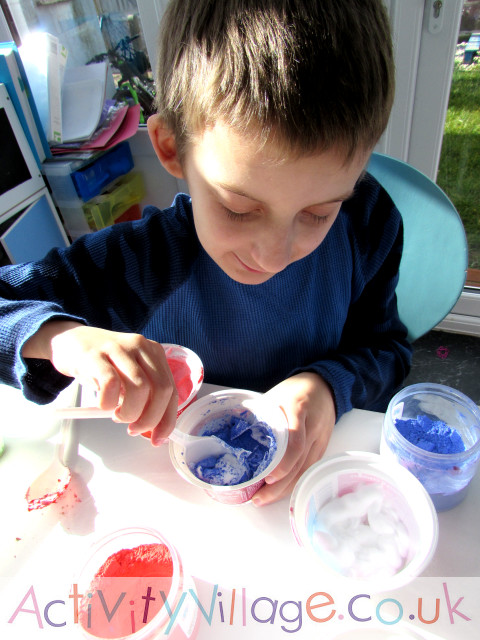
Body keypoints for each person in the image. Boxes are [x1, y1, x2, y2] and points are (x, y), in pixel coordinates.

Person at [0, 0, 411, 505]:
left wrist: (328, 388)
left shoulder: (367, 224)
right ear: (171, 148)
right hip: (174, 499)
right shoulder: (144, 260)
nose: (274, 253)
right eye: (239, 209)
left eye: (317, 214)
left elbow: (387, 351)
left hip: (309, 492)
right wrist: (64, 340)